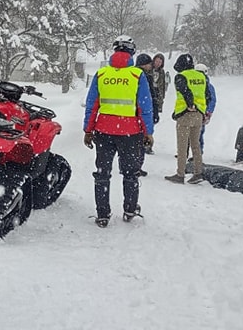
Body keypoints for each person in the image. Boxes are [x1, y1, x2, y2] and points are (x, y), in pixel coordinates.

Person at [83, 35, 155, 226]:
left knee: (102, 173)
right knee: (130, 173)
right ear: (132, 52)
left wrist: (88, 130)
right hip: (130, 134)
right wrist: (148, 131)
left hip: (104, 133)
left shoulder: (102, 74)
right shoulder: (137, 75)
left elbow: (92, 105)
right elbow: (145, 106)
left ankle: (102, 214)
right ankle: (130, 210)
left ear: (114, 51)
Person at [165, 53, 209, 185]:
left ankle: (180, 174)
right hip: (199, 114)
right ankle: (198, 172)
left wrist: (190, 105)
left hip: (186, 114)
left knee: (182, 146)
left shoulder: (181, 76)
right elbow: (207, 94)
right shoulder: (201, 76)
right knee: (196, 144)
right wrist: (201, 110)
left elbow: (185, 91)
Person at [149, 54, 169, 122]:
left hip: (157, 94)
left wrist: (162, 98)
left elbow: (162, 86)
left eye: (160, 62)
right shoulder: (148, 69)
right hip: (149, 93)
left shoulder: (162, 72)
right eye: (157, 61)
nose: (158, 64)